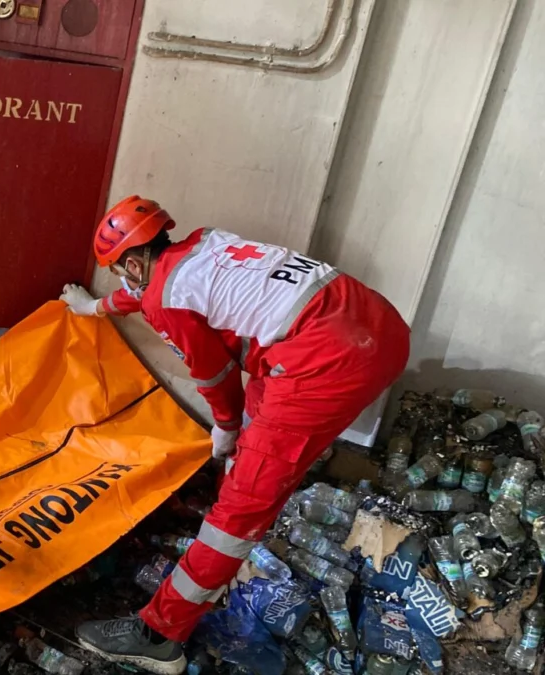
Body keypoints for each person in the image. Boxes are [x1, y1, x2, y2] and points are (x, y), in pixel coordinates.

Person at [61, 196, 409, 674]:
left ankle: (158, 635)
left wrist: (225, 428)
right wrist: (97, 307)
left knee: (239, 509)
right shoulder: (203, 243)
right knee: (255, 423)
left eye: (121, 271)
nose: (123, 282)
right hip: (371, 321)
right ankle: (230, 530)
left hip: (327, 362)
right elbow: (150, 294)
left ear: (134, 261)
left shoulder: (164, 293)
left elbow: (216, 374)